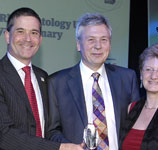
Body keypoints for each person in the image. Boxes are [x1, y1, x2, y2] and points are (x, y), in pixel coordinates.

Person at [46, 13, 140, 150]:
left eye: (104, 40)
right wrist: (70, 147)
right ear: (78, 44)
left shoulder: (127, 78)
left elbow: (136, 127)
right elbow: (52, 131)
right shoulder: (57, 82)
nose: (98, 46)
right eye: (91, 40)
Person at [0, 7, 82, 150]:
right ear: (7, 36)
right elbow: (4, 135)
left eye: (34, 33)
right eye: (20, 31)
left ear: (40, 39)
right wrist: (60, 148)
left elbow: (50, 128)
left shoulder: (43, 77)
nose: (28, 39)